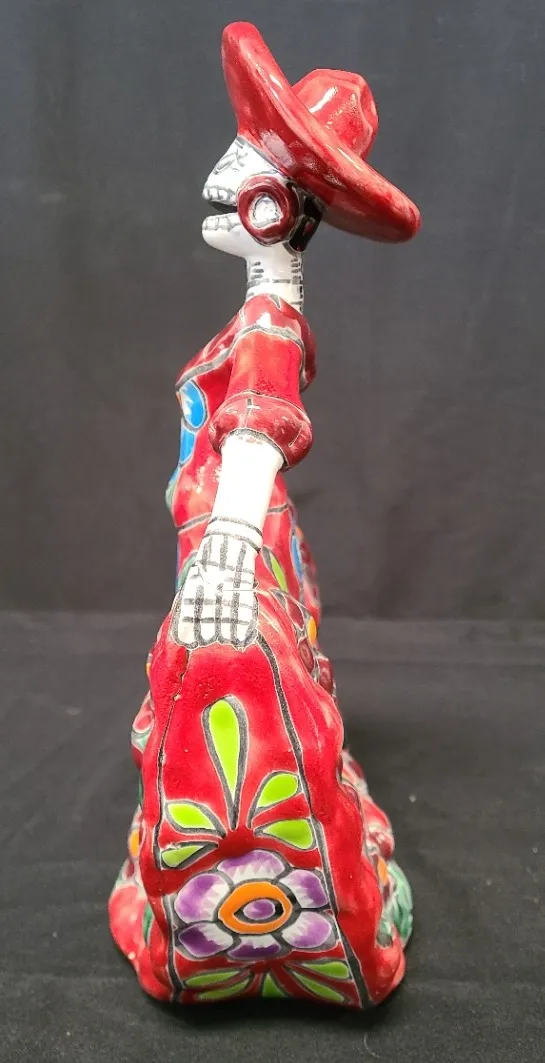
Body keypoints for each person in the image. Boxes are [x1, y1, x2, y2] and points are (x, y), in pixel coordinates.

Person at [109, 22, 419, 1008]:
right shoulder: (259, 311)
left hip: (232, 535)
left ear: (275, 203)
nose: (218, 176)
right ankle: (271, 917)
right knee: (245, 694)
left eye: (244, 160)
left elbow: (258, 428)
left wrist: (227, 548)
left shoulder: (269, 321)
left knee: (224, 686)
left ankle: (247, 926)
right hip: (228, 533)